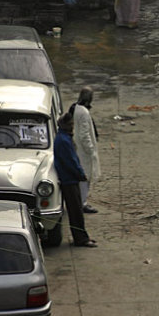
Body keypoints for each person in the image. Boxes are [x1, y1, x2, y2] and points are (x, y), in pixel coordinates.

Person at [53, 112, 97, 247]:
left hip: (69, 179)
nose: (73, 127)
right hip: (69, 180)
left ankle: (80, 236)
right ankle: (81, 238)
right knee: (76, 212)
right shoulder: (64, 141)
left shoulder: (62, 138)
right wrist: (80, 174)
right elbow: (71, 161)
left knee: (75, 211)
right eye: (71, 124)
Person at [70, 86, 101, 214]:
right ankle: (82, 203)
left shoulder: (75, 108)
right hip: (84, 151)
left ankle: (80, 202)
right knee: (85, 177)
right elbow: (84, 135)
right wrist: (91, 149)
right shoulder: (83, 112)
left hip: (79, 149)